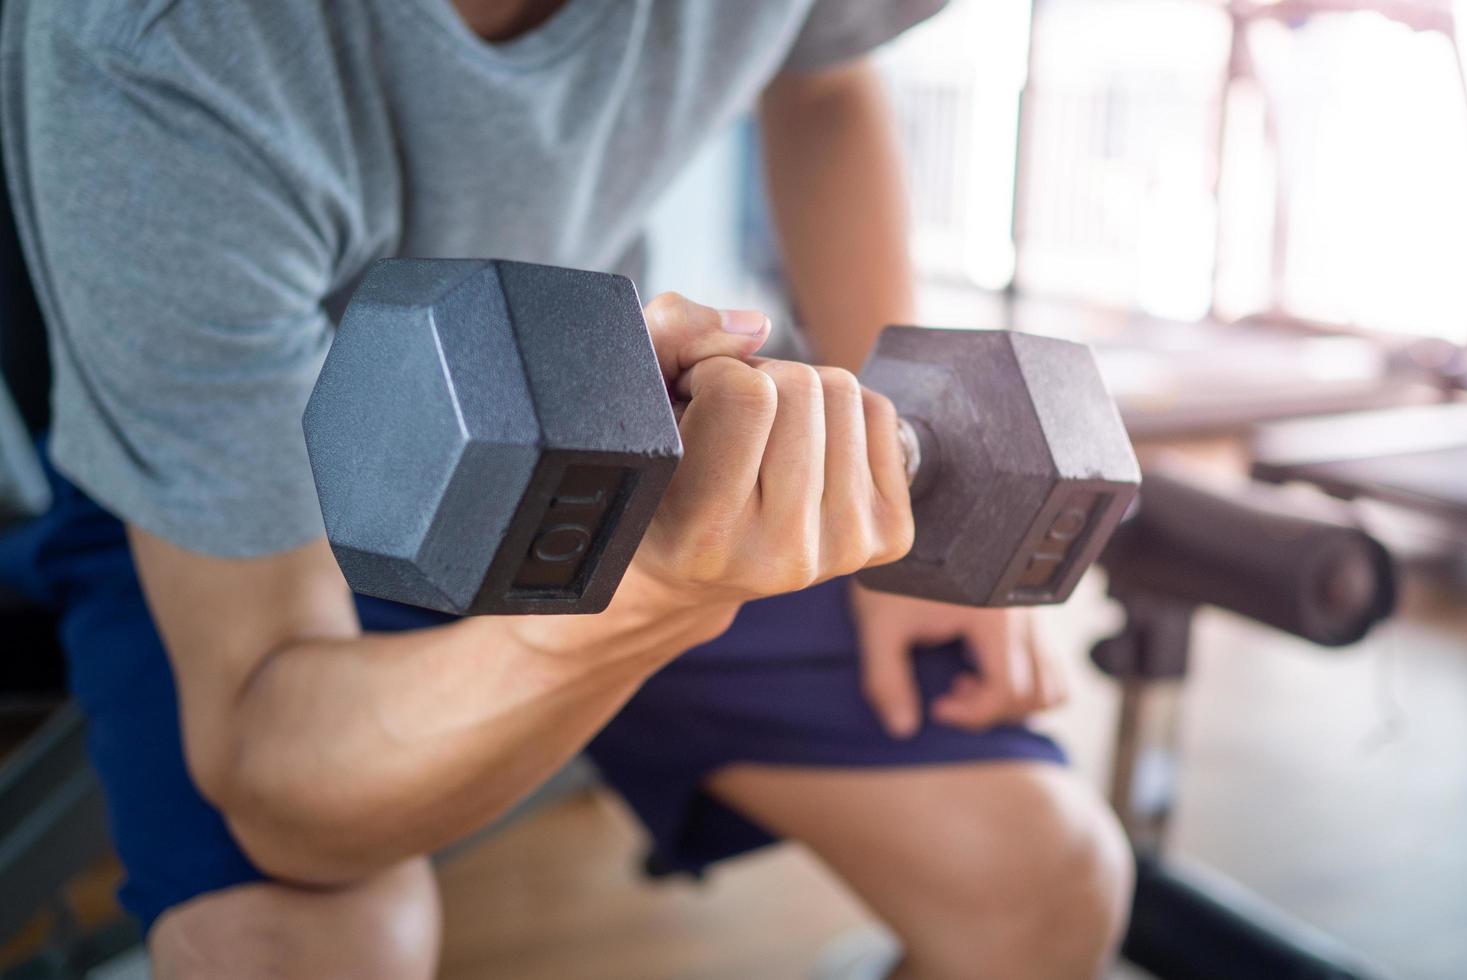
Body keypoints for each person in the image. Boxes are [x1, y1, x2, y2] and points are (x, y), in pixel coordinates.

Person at [0, 1, 1132, 977]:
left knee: (1046, 881)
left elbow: (823, 70)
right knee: (292, 954)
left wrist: (903, 496)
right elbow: (278, 782)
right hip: (240, 498)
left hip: (614, 421)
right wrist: (643, 604)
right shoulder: (153, 47)